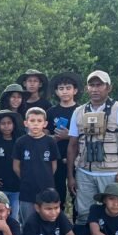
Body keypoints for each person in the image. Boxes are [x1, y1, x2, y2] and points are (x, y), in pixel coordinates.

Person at [67, 70, 118, 235]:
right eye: (92, 85)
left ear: (109, 87)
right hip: (84, 172)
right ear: (86, 88)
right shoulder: (79, 111)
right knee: (83, 213)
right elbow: (73, 144)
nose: (95, 89)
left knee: (113, 213)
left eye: (100, 85)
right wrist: (71, 176)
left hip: (111, 172)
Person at [12, 107, 59, 225]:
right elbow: (16, 166)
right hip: (27, 190)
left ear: (45, 124)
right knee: (28, 223)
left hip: (47, 188)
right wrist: (26, 178)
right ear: (26, 123)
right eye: (32, 121)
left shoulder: (50, 142)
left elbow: (53, 166)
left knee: (48, 221)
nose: (35, 124)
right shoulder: (21, 142)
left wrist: (44, 178)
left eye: (39, 121)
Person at [47, 72, 82, 220]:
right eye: (61, 88)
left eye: (68, 88)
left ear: (75, 90)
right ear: (56, 92)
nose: (65, 91)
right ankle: (57, 228)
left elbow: (89, 135)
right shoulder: (51, 112)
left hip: (79, 160)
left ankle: (80, 231)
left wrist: (69, 136)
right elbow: (42, 135)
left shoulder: (82, 110)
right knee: (57, 196)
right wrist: (55, 138)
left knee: (78, 197)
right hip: (56, 160)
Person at [0, 110, 24, 221]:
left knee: (14, 216)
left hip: (17, 186)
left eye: (9, 123)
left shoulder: (20, 141)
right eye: (3, 123)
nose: (6, 126)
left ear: (14, 125)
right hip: (0, 187)